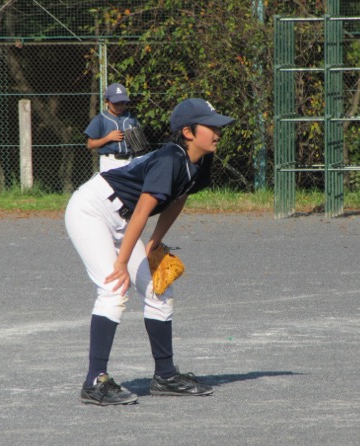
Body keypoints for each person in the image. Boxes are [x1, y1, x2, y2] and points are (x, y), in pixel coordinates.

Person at [65, 98, 235, 406]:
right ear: (188, 132)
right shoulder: (170, 158)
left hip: (124, 219)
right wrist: (121, 262)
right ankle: (94, 381)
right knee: (114, 288)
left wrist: (155, 241)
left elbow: (179, 198)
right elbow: (143, 210)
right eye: (211, 127)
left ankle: (165, 376)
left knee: (159, 288)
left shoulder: (200, 161)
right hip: (92, 210)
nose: (218, 132)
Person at [85, 83, 140, 172]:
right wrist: (108, 138)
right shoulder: (100, 119)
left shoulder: (131, 118)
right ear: (107, 102)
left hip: (130, 160)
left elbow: (139, 144)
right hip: (109, 161)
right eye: (116, 103)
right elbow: (90, 144)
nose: (119, 106)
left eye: (122, 103)